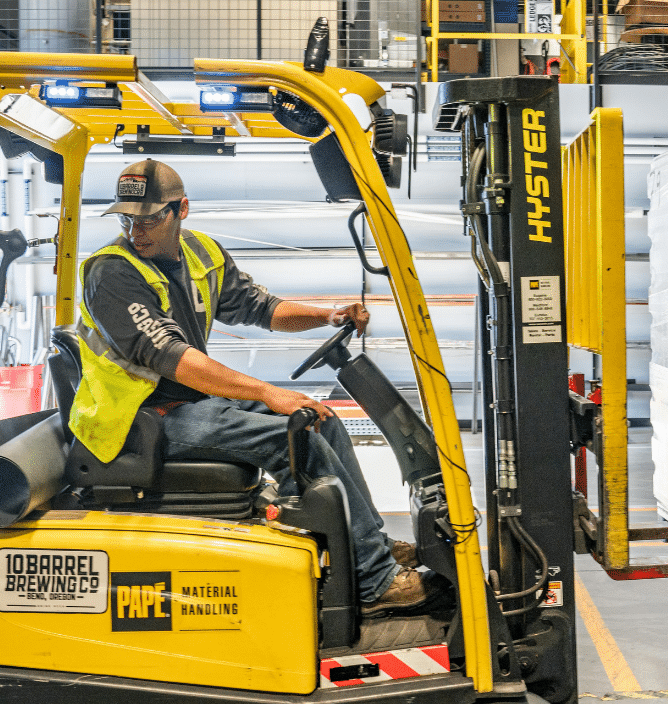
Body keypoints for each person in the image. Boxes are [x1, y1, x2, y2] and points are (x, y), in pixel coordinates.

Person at [71, 159, 428, 615]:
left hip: (187, 403)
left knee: (322, 420)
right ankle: (374, 580)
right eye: (127, 218)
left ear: (181, 210)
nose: (135, 231)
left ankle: (368, 544)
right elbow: (174, 359)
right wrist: (265, 392)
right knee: (295, 438)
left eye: (148, 218)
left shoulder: (201, 253)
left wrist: (326, 315)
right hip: (140, 420)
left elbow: (260, 307)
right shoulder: (112, 273)